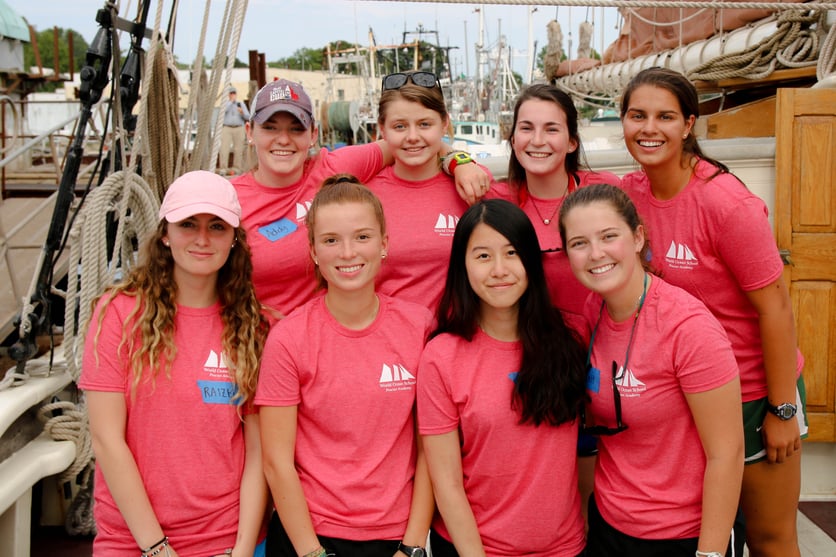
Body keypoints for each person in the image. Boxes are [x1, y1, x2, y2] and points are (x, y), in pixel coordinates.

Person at [618, 67, 807, 557]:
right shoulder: (629, 195)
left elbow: (777, 308)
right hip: (684, 395)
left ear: (689, 125)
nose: (649, 128)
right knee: (707, 534)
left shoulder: (726, 204)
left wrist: (782, 409)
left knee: (769, 538)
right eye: (637, 115)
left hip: (752, 392)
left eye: (665, 116)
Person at [79, 171, 269, 557]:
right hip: (132, 540)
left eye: (217, 226)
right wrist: (156, 548)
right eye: (188, 225)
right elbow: (107, 440)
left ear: (235, 239)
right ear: (165, 234)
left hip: (226, 539)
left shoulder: (254, 325)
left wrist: (243, 549)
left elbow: (256, 453)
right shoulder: (118, 314)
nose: (202, 239)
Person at [558, 183, 744, 556]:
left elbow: (728, 453)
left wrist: (710, 553)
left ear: (638, 237)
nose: (596, 254)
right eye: (579, 243)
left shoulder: (688, 327)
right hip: (611, 525)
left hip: (682, 535)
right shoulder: (595, 309)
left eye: (609, 236)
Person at [256, 174, 434, 557]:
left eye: (363, 237)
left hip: (395, 538)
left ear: (384, 244)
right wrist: (311, 553)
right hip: (309, 536)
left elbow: (431, 449)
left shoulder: (419, 327)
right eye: (331, 240)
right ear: (314, 251)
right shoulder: (289, 339)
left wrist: (413, 545)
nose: (348, 252)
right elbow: (276, 462)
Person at [235, 78, 490, 322]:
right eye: (270, 127)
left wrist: (460, 162)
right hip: (256, 344)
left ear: (313, 135)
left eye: (296, 128)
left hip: (332, 336)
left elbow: (412, 141)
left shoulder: (333, 168)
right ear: (249, 131)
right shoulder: (230, 199)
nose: (283, 139)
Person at [418, 199, 588, 556]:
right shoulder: (441, 356)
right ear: (462, 267)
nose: (499, 270)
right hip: (474, 549)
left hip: (566, 548)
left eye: (512, 253)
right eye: (482, 256)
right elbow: (446, 482)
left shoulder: (573, 336)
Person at [488, 83, 621, 335]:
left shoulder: (605, 191)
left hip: (604, 344)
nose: (537, 141)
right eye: (527, 128)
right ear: (513, 138)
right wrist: (456, 161)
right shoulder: (494, 201)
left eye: (551, 130)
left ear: (571, 142)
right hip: (533, 349)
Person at [368, 70, 477, 311]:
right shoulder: (365, 196)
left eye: (425, 124)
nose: (413, 137)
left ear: (444, 123)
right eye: (399, 126)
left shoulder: (470, 185)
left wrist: (460, 161)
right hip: (391, 341)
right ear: (382, 130)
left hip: (456, 340)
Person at [220, 87, 251, 175]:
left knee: (238, 148)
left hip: (239, 127)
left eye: (234, 93)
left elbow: (248, 117)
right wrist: (230, 102)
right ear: (228, 94)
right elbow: (223, 112)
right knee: (224, 148)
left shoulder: (240, 104)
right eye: (231, 93)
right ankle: (223, 168)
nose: (233, 95)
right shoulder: (225, 104)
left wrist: (242, 113)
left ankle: (237, 168)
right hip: (227, 127)